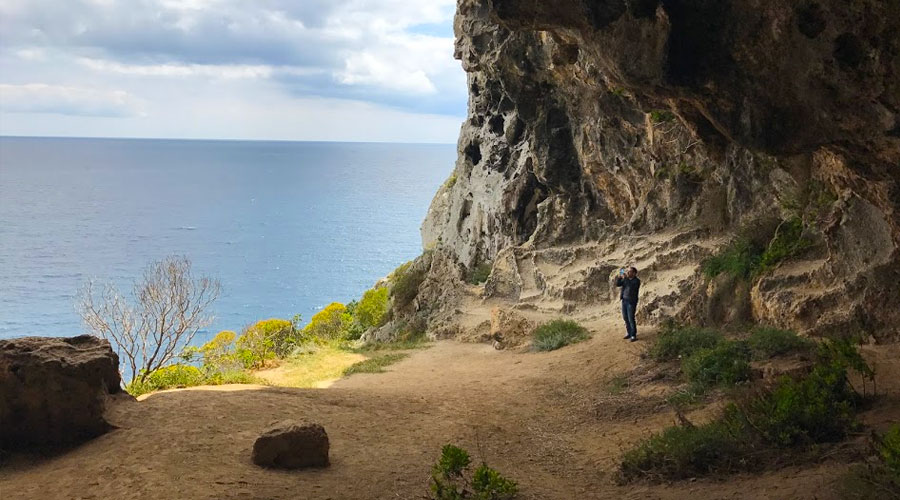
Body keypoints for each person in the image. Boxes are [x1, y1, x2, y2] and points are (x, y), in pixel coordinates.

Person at [615, 266, 640, 342]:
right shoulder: (626, 280)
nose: (628, 273)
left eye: (630, 272)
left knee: (631, 318)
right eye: (628, 271)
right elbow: (618, 284)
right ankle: (629, 332)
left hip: (631, 302)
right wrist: (619, 277)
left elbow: (631, 286)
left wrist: (625, 278)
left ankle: (633, 335)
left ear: (634, 273)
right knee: (625, 317)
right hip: (624, 301)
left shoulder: (636, 281)